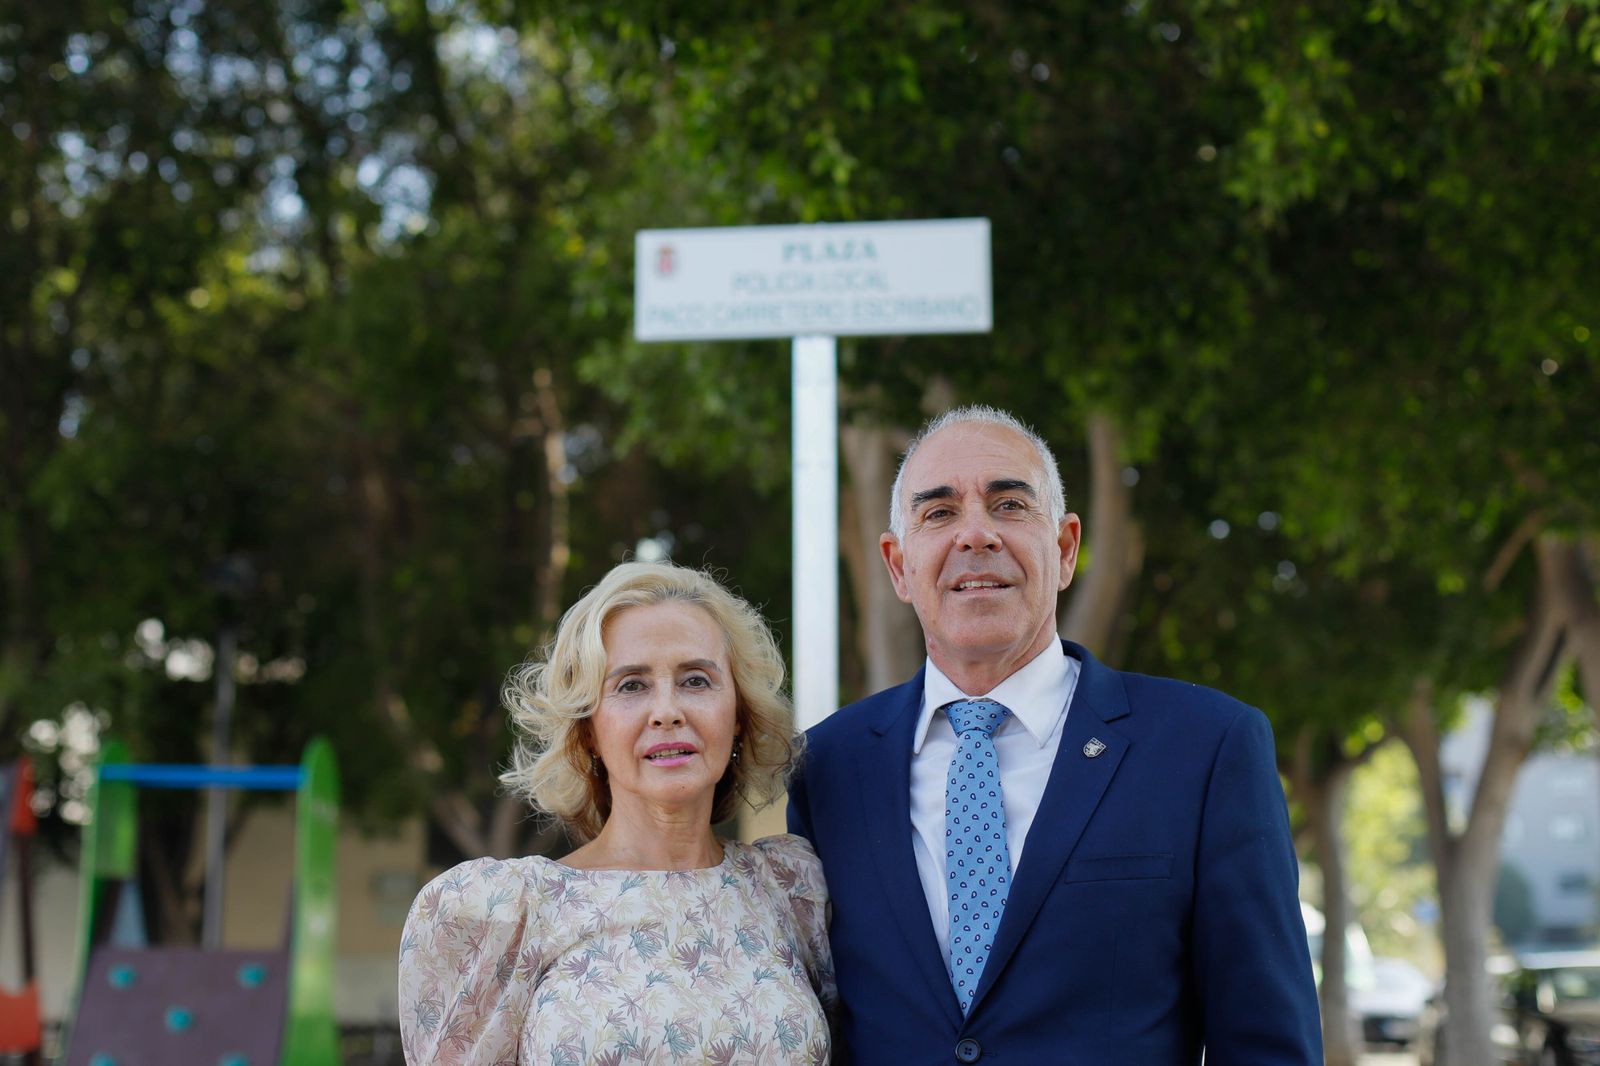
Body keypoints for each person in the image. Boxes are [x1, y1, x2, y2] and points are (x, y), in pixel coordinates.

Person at [788, 405, 1321, 1064]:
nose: (975, 534)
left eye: (1010, 505)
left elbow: (1268, 1045)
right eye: (939, 513)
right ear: (898, 566)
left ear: (1066, 548)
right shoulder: (828, 768)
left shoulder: (1207, 749)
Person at [400, 561, 835, 1065]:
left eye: (696, 680)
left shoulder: (791, 892)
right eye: (631, 685)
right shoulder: (510, 912)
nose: (668, 710)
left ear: (738, 714)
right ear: (587, 731)